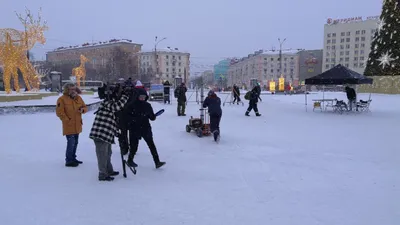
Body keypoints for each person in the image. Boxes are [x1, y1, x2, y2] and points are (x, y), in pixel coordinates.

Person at [89, 86, 129, 181]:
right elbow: (116, 107)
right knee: (102, 155)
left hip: (106, 134)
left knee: (108, 153)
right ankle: (102, 174)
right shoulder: (107, 103)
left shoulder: (109, 104)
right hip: (100, 134)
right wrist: (125, 96)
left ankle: (108, 170)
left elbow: (111, 120)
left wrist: (115, 132)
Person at [126, 88, 166, 169]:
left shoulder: (147, 105)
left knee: (151, 145)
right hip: (134, 128)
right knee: (134, 146)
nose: (142, 98)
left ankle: (157, 162)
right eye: (141, 97)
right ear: (137, 96)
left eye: (144, 97)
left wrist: (153, 116)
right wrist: (134, 120)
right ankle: (130, 160)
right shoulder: (131, 105)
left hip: (145, 127)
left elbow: (151, 117)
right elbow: (127, 117)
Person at [56, 83, 88, 167]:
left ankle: (73, 158)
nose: (73, 91)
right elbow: (59, 112)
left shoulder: (79, 98)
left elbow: (85, 107)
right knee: (71, 143)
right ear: (67, 90)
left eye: (74, 89)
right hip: (69, 126)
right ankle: (69, 160)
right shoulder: (61, 99)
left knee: (75, 143)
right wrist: (67, 120)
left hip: (77, 125)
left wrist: (83, 110)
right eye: (71, 89)